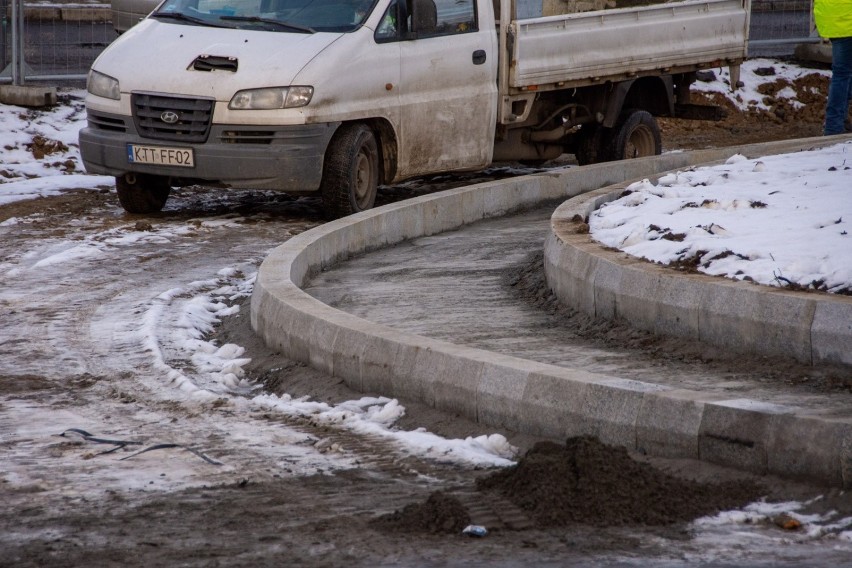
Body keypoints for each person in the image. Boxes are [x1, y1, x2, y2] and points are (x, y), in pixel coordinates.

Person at [814, 0, 852, 135]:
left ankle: (839, 120)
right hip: (846, 19)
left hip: (832, 18)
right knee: (842, 73)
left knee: (844, 72)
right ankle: (833, 126)